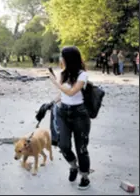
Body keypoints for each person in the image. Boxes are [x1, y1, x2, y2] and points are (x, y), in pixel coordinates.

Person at [49, 46, 91, 190]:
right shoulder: (63, 73)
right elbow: (63, 94)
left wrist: (56, 83)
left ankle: (84, 176)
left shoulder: (82, 75)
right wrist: (50, 103)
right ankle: (73, 166)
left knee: (82, 148)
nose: (60, 59)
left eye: (62, 56)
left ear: (69, 59)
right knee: (63, 145)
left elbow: (72, 92)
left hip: (79, 114)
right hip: (63, 112)